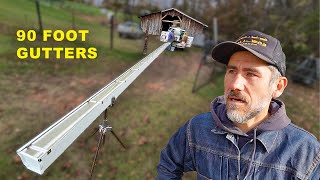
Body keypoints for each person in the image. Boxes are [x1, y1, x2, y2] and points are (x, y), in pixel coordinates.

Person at [157, 30, 320, 179]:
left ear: (277, 87)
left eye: (251, 74)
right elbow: (168, 166)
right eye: (232, 71)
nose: (235, 84)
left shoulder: (305, 151)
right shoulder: (197, 129)